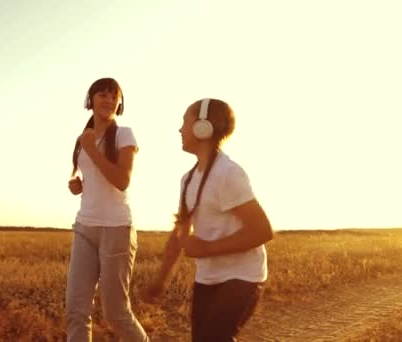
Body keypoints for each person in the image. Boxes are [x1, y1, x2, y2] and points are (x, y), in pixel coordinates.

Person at [142, 98, 273, 341]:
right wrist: (161, 279)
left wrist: (208, 248)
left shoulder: (228, 174)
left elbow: (262, 230)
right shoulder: (188, 179)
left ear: (203, 126)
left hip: (243, 276)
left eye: (184, 121)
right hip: (208, 278)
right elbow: (179, 234)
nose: (180, 129)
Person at [66, 77, 148, 342]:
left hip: (116, 228)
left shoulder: (124, 134)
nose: (109, 100)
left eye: (114, 96)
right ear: (90, 100)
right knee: (76, 310)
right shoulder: (84, 138)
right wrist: (79, 185)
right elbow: (93, 175)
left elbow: (122, 180)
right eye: (103, 94)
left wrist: (92, 150)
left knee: (115, 313)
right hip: (85, 226)